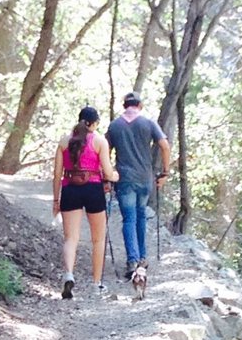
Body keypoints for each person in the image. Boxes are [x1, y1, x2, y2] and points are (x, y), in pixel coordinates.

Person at [53, 106, 119, 299]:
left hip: (70, 189)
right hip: (93, 190)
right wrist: (115, 176)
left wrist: (56, 199)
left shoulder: (64, 142)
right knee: (98, 239)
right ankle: (97, 283)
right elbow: (107, 172)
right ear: (95, 123)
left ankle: (68, 275)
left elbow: (57, 174)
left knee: (70, 238)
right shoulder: (99, 141)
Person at [105, 92, 171, 279]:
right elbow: (165, 146)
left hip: (124, 178)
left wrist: (107, 176)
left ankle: (132, 260)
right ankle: (142, 258)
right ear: (139, 105)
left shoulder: (115, 126)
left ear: (124, 105)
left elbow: (105, 150)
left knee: (129, 218)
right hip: (145, 178)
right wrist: (165, 172)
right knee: (141, 215)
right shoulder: (148, 123)